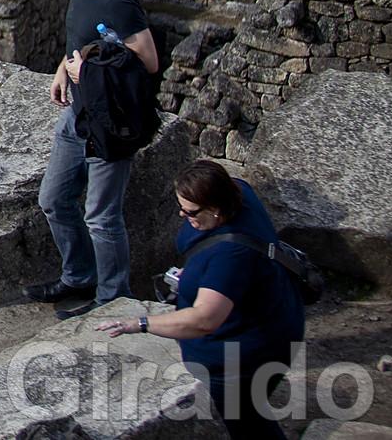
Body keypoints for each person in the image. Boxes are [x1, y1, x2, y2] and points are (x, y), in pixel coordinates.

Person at [95, 160, 304, 440]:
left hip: (244, 355)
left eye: (190, 211)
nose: (182, 214)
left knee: (248, 422)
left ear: (216, 209)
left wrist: (141, 323)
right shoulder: (239, 192)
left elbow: (204, 319)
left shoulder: (230, 257)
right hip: (275, 318)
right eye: (180, 206)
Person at [27, 0, 158, 317]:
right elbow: (83, 40)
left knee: (101, 216)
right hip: (78, 116)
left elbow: (148, 61)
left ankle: (112, 300)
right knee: (53, 199)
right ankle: (79, 276)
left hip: (111, 122)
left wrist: (90, 70)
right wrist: (63, 69)